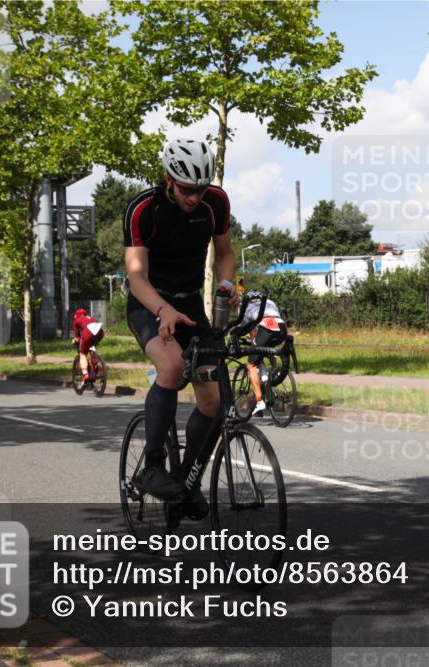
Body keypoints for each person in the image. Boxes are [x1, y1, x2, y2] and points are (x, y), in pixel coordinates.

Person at [123, 138, 238, 508]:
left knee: (216, 399)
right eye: (187, 190)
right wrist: (162, 310)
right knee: (171, 367)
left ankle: (187, 482)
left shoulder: (215, 203)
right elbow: (136, 277)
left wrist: (226, 283)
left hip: (190, 307)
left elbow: (225, 254)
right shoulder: (143, 209)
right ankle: (153, 467)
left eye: (200, 189)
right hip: (148, 305)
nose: (194, 198)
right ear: (168, 179)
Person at [239, 294, 288, 415]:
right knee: (267, 350)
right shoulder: (270, 302)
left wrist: (253, 345)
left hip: (268, 328)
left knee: (251, 365)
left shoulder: (247, 307)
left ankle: (259, 401)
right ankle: (273, 376)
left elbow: (251, 329)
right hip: (282, 328)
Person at [71, 308, 104, 384]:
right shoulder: (91, 318)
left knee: (82, 354)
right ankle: (100, 371)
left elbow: (77, 336)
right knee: (92, 349)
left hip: (88, 332)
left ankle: (85, 374)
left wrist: (75, 340)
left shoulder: (76, 320)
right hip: (100, 332)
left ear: (77, 316)